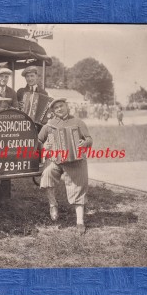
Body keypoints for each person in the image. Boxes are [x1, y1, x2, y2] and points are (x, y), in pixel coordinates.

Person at [39, 98, 93, 235]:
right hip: (57, 160)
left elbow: (89, 138)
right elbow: (39, 140)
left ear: (66, 106)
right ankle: (53, 205)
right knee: (47, 174)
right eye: (56, 107)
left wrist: (84, 143)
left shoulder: (78, 122)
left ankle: (80, 221)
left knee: (78, 186)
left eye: (61, 106)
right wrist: (44, 146)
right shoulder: (49, 125)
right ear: (53, 111)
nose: (59, 109)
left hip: (75, 161)